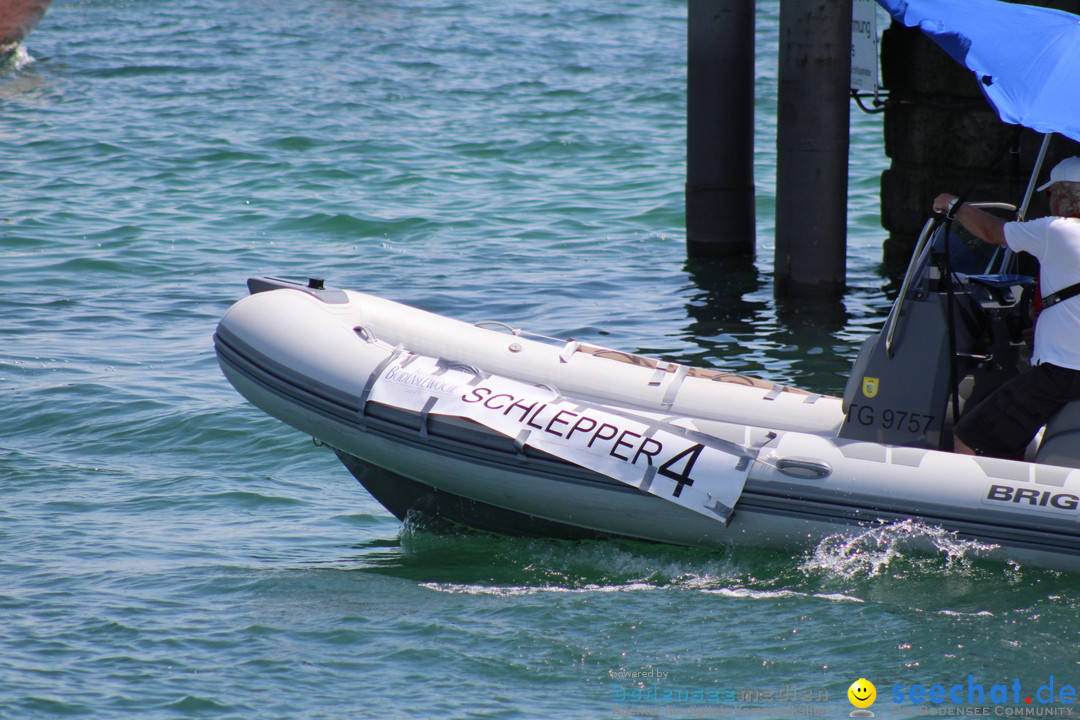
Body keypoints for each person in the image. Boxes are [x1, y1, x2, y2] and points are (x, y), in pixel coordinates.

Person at [931, 156, 1080, 458]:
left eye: (1050, 195)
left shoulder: (1055, 230)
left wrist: (953, 205)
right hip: (1068, 365)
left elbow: (992, 233)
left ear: (1063, 196)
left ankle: (973, 502)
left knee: (972, 437)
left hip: (1064, 371)